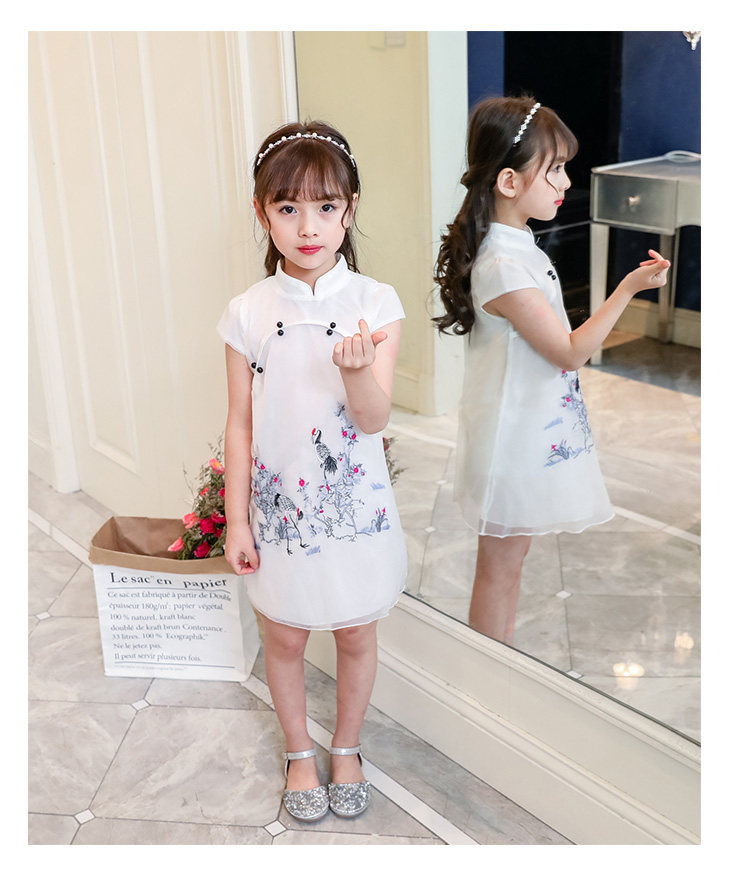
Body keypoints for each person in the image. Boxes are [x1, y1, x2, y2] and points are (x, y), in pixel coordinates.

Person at [217, 120, 406, 822]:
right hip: (280, 512)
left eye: (326, 206)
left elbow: (373, 420)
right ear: (262, 212)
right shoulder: (246, 312)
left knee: (355, 632)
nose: (307, 226)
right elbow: (240, 423)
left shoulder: (376, 303)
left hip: (352, 508)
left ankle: (346, 746)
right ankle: (300, 751)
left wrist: (357, 373)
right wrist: (237, 520)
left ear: (349, 210)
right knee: (286, 635)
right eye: (288, 206)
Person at [434, 96, 670, 645]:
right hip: (511, 443)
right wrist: (627, 290)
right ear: (509, 181)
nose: (566, 182)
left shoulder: (516, 246)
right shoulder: (503, 264)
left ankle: (497, 662)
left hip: (527, 432)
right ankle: (488, 671)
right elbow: (568, 352)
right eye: (555, 169)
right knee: (500, 569)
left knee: (509, 564)